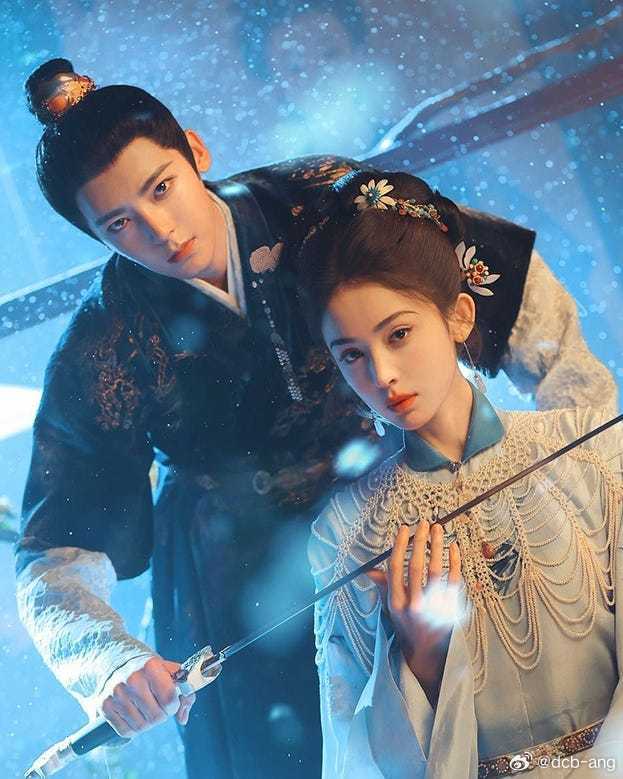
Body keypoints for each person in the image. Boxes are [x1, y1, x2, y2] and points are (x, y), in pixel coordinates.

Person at [15, 58, 616, 779]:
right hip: (234, 573)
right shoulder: (107, 336)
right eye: (120, 223)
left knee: (490, 710)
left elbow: (482, 281)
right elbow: (55, 548)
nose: (161, 230)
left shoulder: (316, 201)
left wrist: (589, 457)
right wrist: (110, 662)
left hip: (396, 504)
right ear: (95, 236)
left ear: (196, 151)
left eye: (163, 188)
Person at [299, 170, 623, 778]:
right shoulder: (345, 536)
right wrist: (420, 657)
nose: (382, 375)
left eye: (399, 334)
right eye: (353, 355)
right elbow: (355, 752)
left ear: (459, 316)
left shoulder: (596, 453)